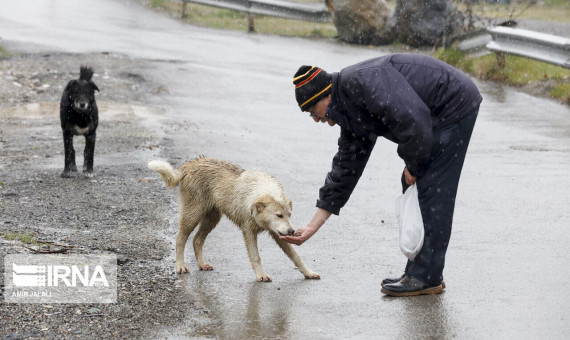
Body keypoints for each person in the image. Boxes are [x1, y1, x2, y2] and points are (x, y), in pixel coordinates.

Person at [280, 54, 482, 297]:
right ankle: (420, 271)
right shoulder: (349, 106)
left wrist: (414, 166)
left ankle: (426, 276)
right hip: (434, 114)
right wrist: (313, 226)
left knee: (431, 187)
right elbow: (346, 168)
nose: (315, 119)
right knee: (414, 185)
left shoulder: (363, 83)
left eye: (313, 110)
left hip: (452, 103)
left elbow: (414, 122)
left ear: (327, 95)